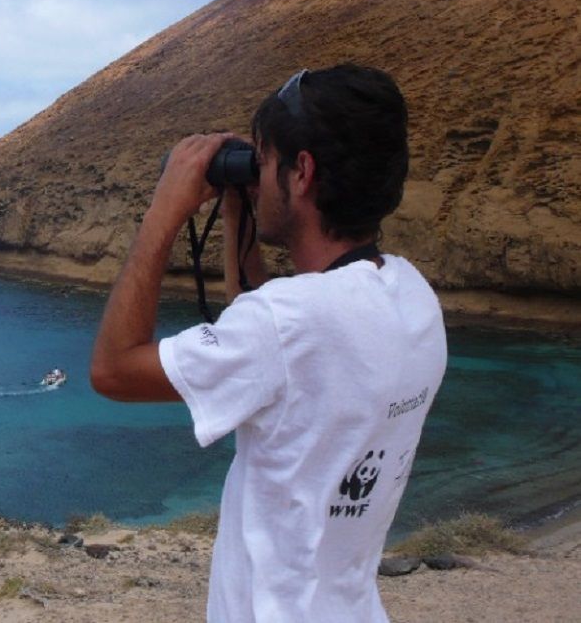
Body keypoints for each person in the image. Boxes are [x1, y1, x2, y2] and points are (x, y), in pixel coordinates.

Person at [90, 64, 446, 622]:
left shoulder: (289, 323)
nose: (259, 173)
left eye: (267, 160)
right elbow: (271, 345)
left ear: (302, 172)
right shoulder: (412, 294)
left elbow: (113, 370)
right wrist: (240, 213)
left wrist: (165, 209)